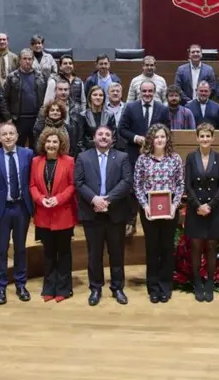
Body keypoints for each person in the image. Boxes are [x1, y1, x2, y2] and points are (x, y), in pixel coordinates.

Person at [75, 125, 133, 306]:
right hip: (92, 213)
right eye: (100, 134)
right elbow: (78, 182)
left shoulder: (122, 157)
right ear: (94, 137)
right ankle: (95, 288)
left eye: (107, 135)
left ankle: (117, 288)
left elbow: (126, 181)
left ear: (112, 139)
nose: (104, 137)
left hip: (115, 212)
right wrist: (94, 199)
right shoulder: (83, 157)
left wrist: (107, 200)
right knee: (94, 254)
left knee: (117, 253)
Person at [134, 124, 184, 303]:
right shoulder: (143, 160)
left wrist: (174, 205)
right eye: (156, 137)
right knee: (152, 249)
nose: (160, 140)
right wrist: (145, 205)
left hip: (170, 211)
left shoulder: (175, 159)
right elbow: (137, 185)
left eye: (163, 136)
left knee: (167, 248)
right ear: (151, 140)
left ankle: (165, 286)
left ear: (167, 139)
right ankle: (153, 287)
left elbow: (180, 185)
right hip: (149, 212)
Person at [0, 123, 34, 305]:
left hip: (22, 208)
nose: (8, 137)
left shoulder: (28, 154)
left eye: (11, 133)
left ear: (17, 135)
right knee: (2, 250)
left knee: (20, 248)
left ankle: (21, 284)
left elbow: (31, 180)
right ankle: (1, 287)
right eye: (4, 134)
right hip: (2, 208)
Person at [30, 128, 78, 302]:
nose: (51, 144)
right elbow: (32, 186)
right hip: (44, 213)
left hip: (63, 213)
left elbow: (73, 186)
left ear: (61, 144)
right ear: (44, 143)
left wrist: (58, 199)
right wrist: (41, 199)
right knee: (49, 253)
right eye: (48, 141)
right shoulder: (36, 161)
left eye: (55, 142)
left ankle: (64, 288)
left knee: (64, 253)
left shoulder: (69, 161)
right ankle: (49, 287)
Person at [119, 79, 171, 238]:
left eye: (150, 91)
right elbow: (122, 129)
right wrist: (135, 138)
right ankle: (131, 221)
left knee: (153, 186)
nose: (147, 94)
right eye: (144, 91)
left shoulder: (162, 109)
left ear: (154, 92)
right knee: (133, 188)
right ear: (139, 92)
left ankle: (155, 213)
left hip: (157, 156)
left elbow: (167, 131)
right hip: (135, 153)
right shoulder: (130, 107)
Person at [184, 123, 219, 302]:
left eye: (208, 136)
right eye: (202, 136)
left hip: (213, 211)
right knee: (196, 248)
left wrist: (210, 205)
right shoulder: (191, 157)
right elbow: (188, 185)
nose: (205, 139)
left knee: (210, 248)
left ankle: (209, 282)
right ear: (197, 138)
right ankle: (197, 283)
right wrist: (198, 205)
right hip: (196, 211)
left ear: (213, 138)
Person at [4, 48, 48, 148]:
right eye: (24, 58)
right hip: (18, 120)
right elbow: (4, 98)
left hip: (37, 119)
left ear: (33, 60)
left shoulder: (41, 76)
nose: (27, 61)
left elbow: (46, 97)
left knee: (36, 148)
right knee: (18, 148)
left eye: (30, 59)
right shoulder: (12, 77)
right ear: (20, 60)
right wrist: (8, 117)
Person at [75, 85, 117, 153]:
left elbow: (114, 139)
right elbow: (80, 141)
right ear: (90, 97)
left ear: (104, 98)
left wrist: (105, 153)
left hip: (106, 153)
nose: (98, 97)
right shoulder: (83, 115)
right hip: (88, 153)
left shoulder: (110, 115)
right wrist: (86, 155)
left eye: (101, 95)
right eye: (95, 95)